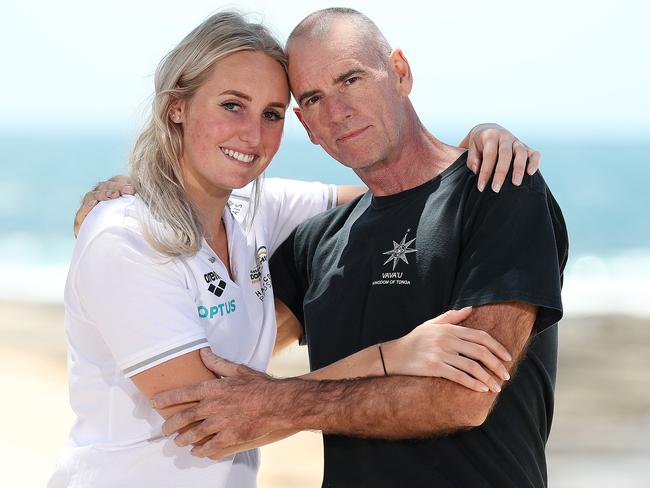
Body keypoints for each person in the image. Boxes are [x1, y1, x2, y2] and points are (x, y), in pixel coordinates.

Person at [53, 10, 541, 488]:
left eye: (271, 113)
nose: (251, 132)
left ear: (399, 72)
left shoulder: (263, 213)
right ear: (176, 106)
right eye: (231, 105)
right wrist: (390, 357)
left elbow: (409, 195)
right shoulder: (128, 233)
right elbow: (213, 414)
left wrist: (478, 149)